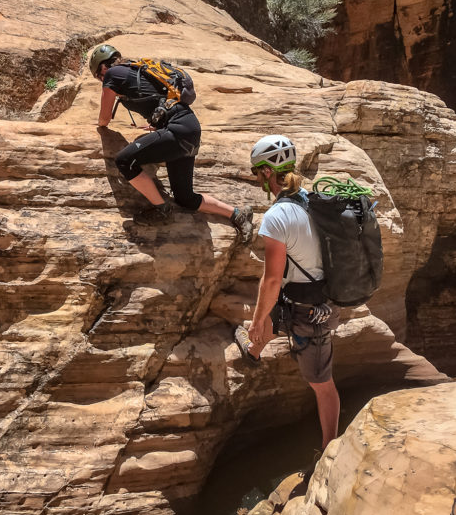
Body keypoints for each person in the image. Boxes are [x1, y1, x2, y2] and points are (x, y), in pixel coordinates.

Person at [233, 134, 341, 449]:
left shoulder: (277, 217)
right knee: (272, 304)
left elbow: (271, 279)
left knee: (322, 386)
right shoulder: (311, 200)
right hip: (313, 297)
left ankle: (328, 451)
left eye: (257, 173)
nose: (257, 179)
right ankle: (254, 350)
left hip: (312, 314)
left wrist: (255, 321)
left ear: (267, 172)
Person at [88, 43, 253, 242]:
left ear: (103, 68)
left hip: (178, 130)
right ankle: (237, 214)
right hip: (189, 129)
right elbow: (164, 101)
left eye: (98, 76)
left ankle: (162, 209)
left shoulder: (113, 74)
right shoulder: (137, 69)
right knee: (185, 198)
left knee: (124, 161)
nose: (101, 80)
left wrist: (98, 126)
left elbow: (104, 118)